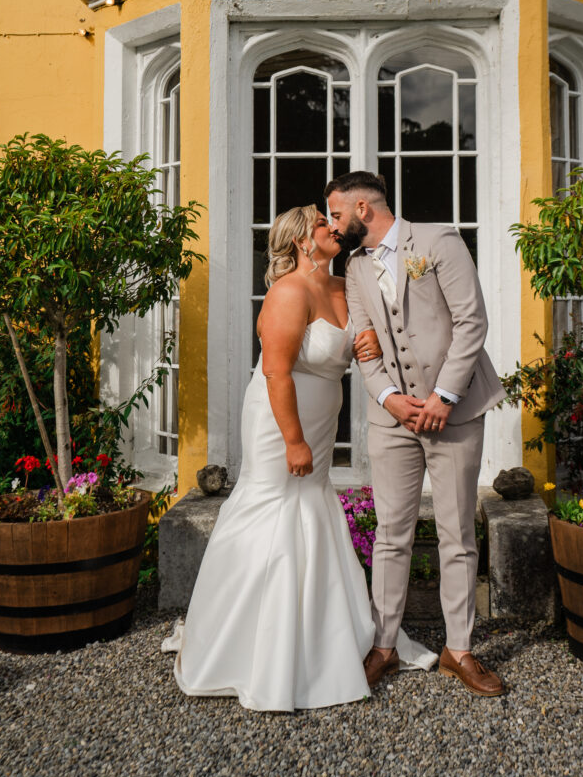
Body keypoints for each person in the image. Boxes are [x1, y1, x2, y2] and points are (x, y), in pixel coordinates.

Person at [162, 205, 432, 711]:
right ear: (301, 242)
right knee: (271, 508)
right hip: (278, 420)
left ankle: (319, 638)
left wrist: (366, 343)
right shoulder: (288, 292)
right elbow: (276, 374)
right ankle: (245, 645)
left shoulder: (342, 287)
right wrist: (293, 441)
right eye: (321, 222)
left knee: (311, 507)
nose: (333, 227)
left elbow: (356, 346)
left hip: (323, 417)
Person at [325, 171, 507, 697]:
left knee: (456, 535)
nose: (333, 226)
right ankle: (384, 646)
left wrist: (442, 398)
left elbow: (472, 321)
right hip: (392, 421)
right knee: (390, 535)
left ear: (363, 208)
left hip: (457, 410)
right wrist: (389, 398)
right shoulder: (354, 267)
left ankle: (460, 649)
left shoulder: (436, 241)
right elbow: (366, 343)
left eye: (336, 214)